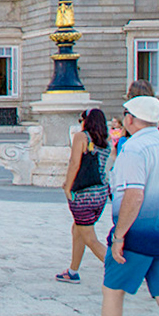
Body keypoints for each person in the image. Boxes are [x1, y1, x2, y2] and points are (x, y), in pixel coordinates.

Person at [78, 94, 159, 316]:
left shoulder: (134, 149)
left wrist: (119, 237)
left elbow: (134, 195)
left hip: (137, 234)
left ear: (129, 119)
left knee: (113, 289)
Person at [58, 107, 112, 282]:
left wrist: (68, 187)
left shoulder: (81, 137)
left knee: (90, 238)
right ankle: (73, 271)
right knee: (78, 230)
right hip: (101, 193)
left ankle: (122, 269)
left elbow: (75, 163)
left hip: (83, 195)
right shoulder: (106, 140)